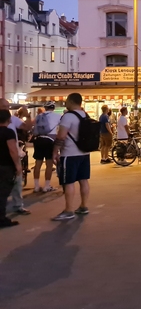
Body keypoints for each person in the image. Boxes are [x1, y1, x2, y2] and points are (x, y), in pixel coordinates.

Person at [51, 93, 91, 221]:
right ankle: (83, 206)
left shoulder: (68, 116)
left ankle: (69, 210)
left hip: (69, 154)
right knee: (83, 180)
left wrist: (55, 151)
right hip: (84, 153)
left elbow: (61, 136)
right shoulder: (85, 115)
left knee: (68, 182)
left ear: (71, 101)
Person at [0, 99, 32, 216]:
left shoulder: (13, 119)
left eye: (7, 106)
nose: (6, 108)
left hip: (11, 154)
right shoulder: (7, 129)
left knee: (16, 182)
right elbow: (12, 149)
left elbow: (26, 127)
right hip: (8, 155)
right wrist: (18, 165)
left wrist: (27, 115)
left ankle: (18, 205)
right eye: (4, 106)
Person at [32, 101, 61, 192]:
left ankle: (36, 186)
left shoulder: (39, 116)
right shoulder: (58, 116)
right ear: (53, 108)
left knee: (38, 164)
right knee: (49, 164)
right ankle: (46, 186)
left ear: (45, 107)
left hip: (39, 140)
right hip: (50, 140)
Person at [0, 110, 22, 228]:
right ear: (9, 120)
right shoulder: (8, 133)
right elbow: (13, 150)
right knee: (3, 193)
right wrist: (18, 166)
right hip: (5, 166)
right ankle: (1, 219)